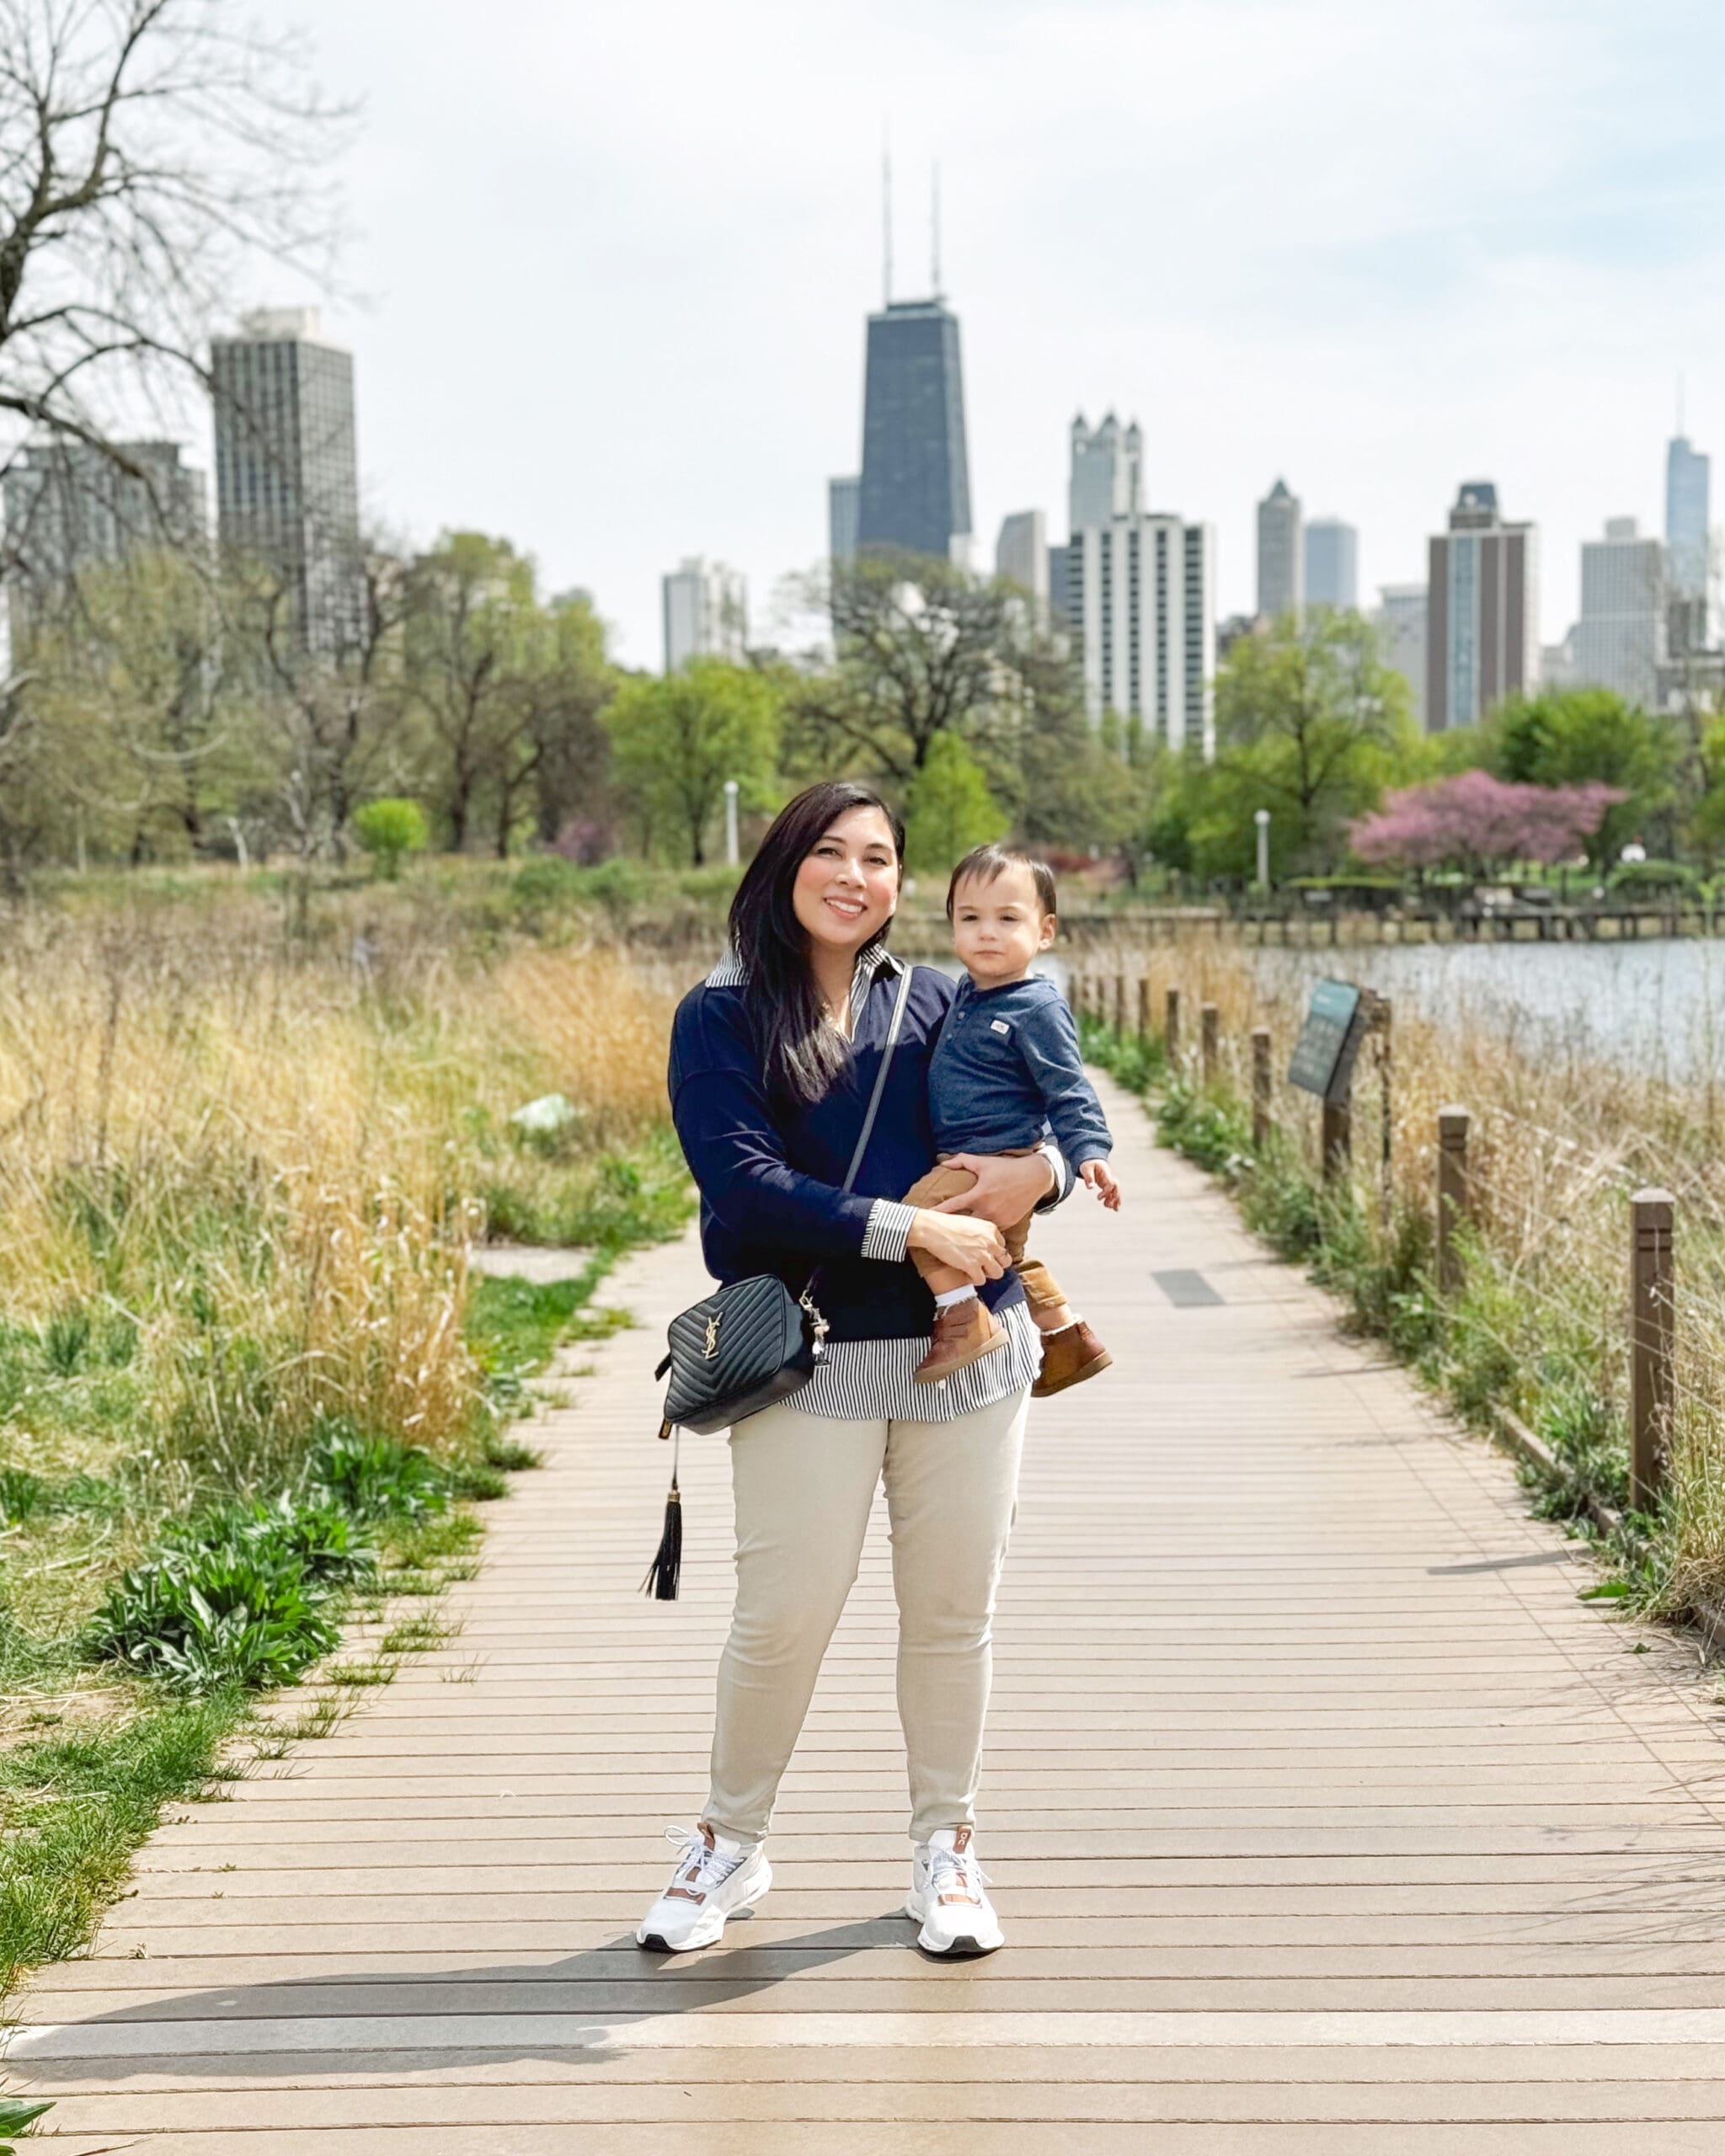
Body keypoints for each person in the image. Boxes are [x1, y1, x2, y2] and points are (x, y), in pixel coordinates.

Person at [638, 780, 1071, 1961]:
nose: (855, 876)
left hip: (966, 1357)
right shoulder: (720, 1014)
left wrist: (1045, 1173)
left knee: (951, 1616)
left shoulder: (938, 997)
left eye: (879, 858)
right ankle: (729, 1843)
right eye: (830, 851)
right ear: (784, 864)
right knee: (780, 1618)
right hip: (811, 1360)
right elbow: (744, 1187)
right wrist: (909, 1225)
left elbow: (1030, 1113)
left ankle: (946, 1849)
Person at [903, 841, 1119, 1390]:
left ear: (1044, 932)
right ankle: (1068, 1337)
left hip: (993, 1155)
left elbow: (1068, 1087)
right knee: (1002, 1260)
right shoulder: (965, 993)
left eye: (1007, 919)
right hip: (962, 1153)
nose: (987, 933)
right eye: (970, 918)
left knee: (917, 1223)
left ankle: (963, 1319)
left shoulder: (1037, 1007)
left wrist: (1088, 1151)